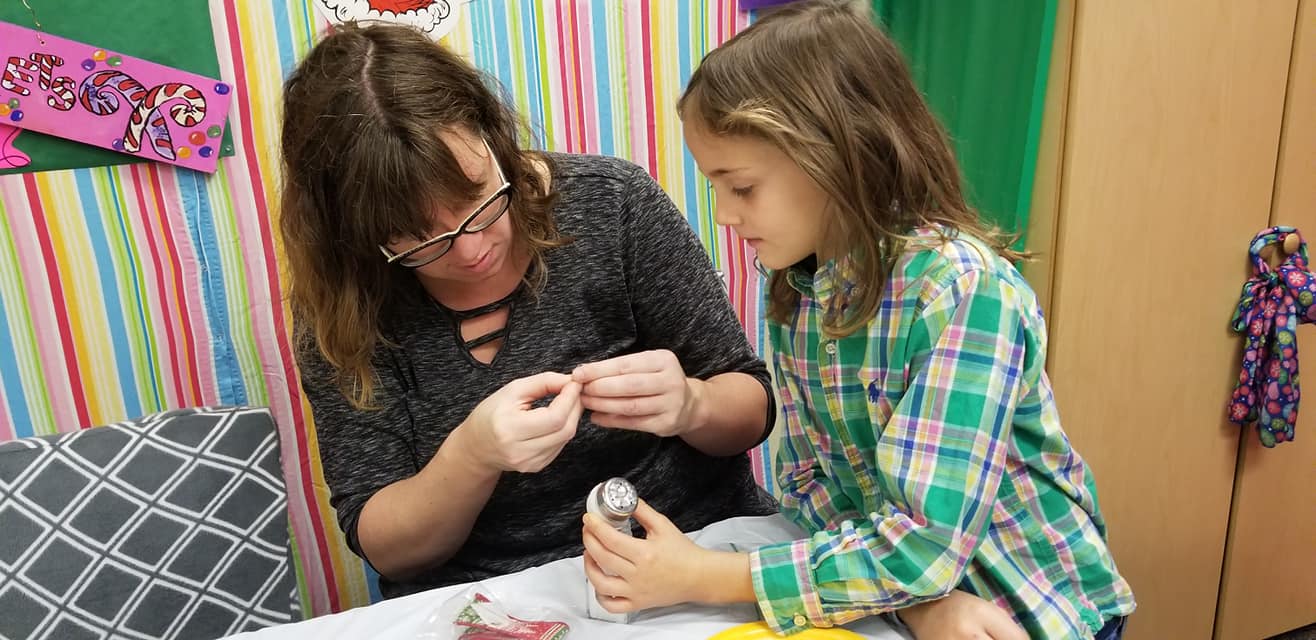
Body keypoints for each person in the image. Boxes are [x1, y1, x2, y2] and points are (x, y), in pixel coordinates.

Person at [580, 2, 1137, 639]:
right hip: (914, 604)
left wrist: (701, 576)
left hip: (1033, 613)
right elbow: (809, 481)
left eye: (741, 187)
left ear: (834, 157)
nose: (725, 217)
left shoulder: (961, 289)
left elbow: (924, 540)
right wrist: (920, 603)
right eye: (716, 189)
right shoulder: (799, 291)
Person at [278, 21, 779, 598]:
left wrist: (693, 403)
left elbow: (752, 407)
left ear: (493, 137)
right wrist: (471, 456)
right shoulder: (344, 305)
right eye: (415, 237)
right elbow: (392, 551)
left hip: (690, 548)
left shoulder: (612, 204)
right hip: (490, 599)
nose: (471, 249)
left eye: (476, 198)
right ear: (354, 234)